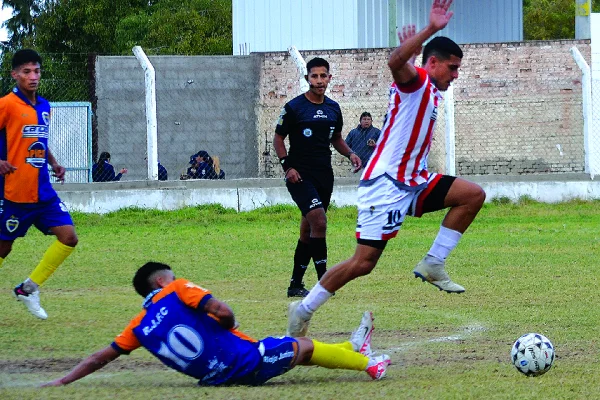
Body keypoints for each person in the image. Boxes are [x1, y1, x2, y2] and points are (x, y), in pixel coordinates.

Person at [287, 0, 486, 338]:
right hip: (386, 184)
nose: (456, 75)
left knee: (472, 195)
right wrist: (429, 30)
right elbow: (395, 63)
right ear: (432, 63)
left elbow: (402, 68)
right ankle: (302, 309)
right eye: (452, 68)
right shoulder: (419, 82)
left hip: (413, 181)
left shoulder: (427, 87)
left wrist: (409, 54)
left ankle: (434, 263)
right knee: (362, 264)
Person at [41, 262, 391, 387]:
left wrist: (63, 379)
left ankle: (351, 349)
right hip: (245, 363)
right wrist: (229, 323)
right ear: (161, 282)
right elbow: (222, 312)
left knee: (290, 350)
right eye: (171, 277)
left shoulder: (138, 328)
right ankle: (368, 365)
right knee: (303, 345)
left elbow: (100, 357)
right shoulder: (177, 290)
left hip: (215, 377)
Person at [273, 57, 362, 298]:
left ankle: (295, 285)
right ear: (307, 79)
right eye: (314, 76)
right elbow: (278, 139)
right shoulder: (294, 108)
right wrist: (287, 167)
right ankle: (325, 283)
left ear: (329, 78)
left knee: (308, 230)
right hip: (299, 175)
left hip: (324, 175)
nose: (319, 81)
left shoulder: (333, 108)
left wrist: (351, 153)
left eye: (323, 76)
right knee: (319, 222)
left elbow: (337, 139)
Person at [0, 49, 79, 320]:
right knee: (3, 248)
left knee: (69, 238)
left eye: (36, 71)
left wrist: (54, 163)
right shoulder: (6, 104)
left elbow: (38, 143)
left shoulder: (45, 106)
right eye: (26, 72)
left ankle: (28, 289)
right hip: (13, 193)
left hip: (43, 192)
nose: (33, 77)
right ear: (14, 74)